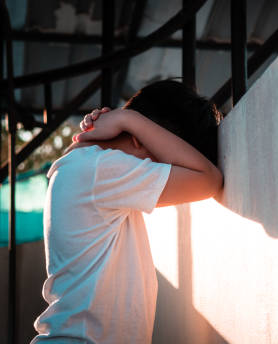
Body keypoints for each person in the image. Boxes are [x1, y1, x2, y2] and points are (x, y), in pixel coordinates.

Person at [31, 80, 223, 343]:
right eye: (164, 158)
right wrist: (130, 119)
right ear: (138, 138)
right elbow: (209, 180)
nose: (169, 171)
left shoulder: (88, 168)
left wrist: (127, 119)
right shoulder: (100, 169)